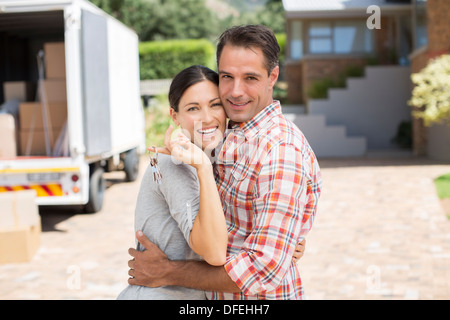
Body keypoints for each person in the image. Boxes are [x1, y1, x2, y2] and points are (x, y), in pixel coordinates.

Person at [128, 25, 321, 300]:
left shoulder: (280, 151)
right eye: (227, 77)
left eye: (251, 77)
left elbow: (262, 270)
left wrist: (168, 271)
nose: (236, 91)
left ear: (273, 76)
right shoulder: (226, 138)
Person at [117, 65, 228, 300]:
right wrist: (203, 167)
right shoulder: (174, 164)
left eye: (215, 104)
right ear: (174, 116)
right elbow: (216, 253)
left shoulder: (209, 158)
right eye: (193, 108)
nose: (207, 118)